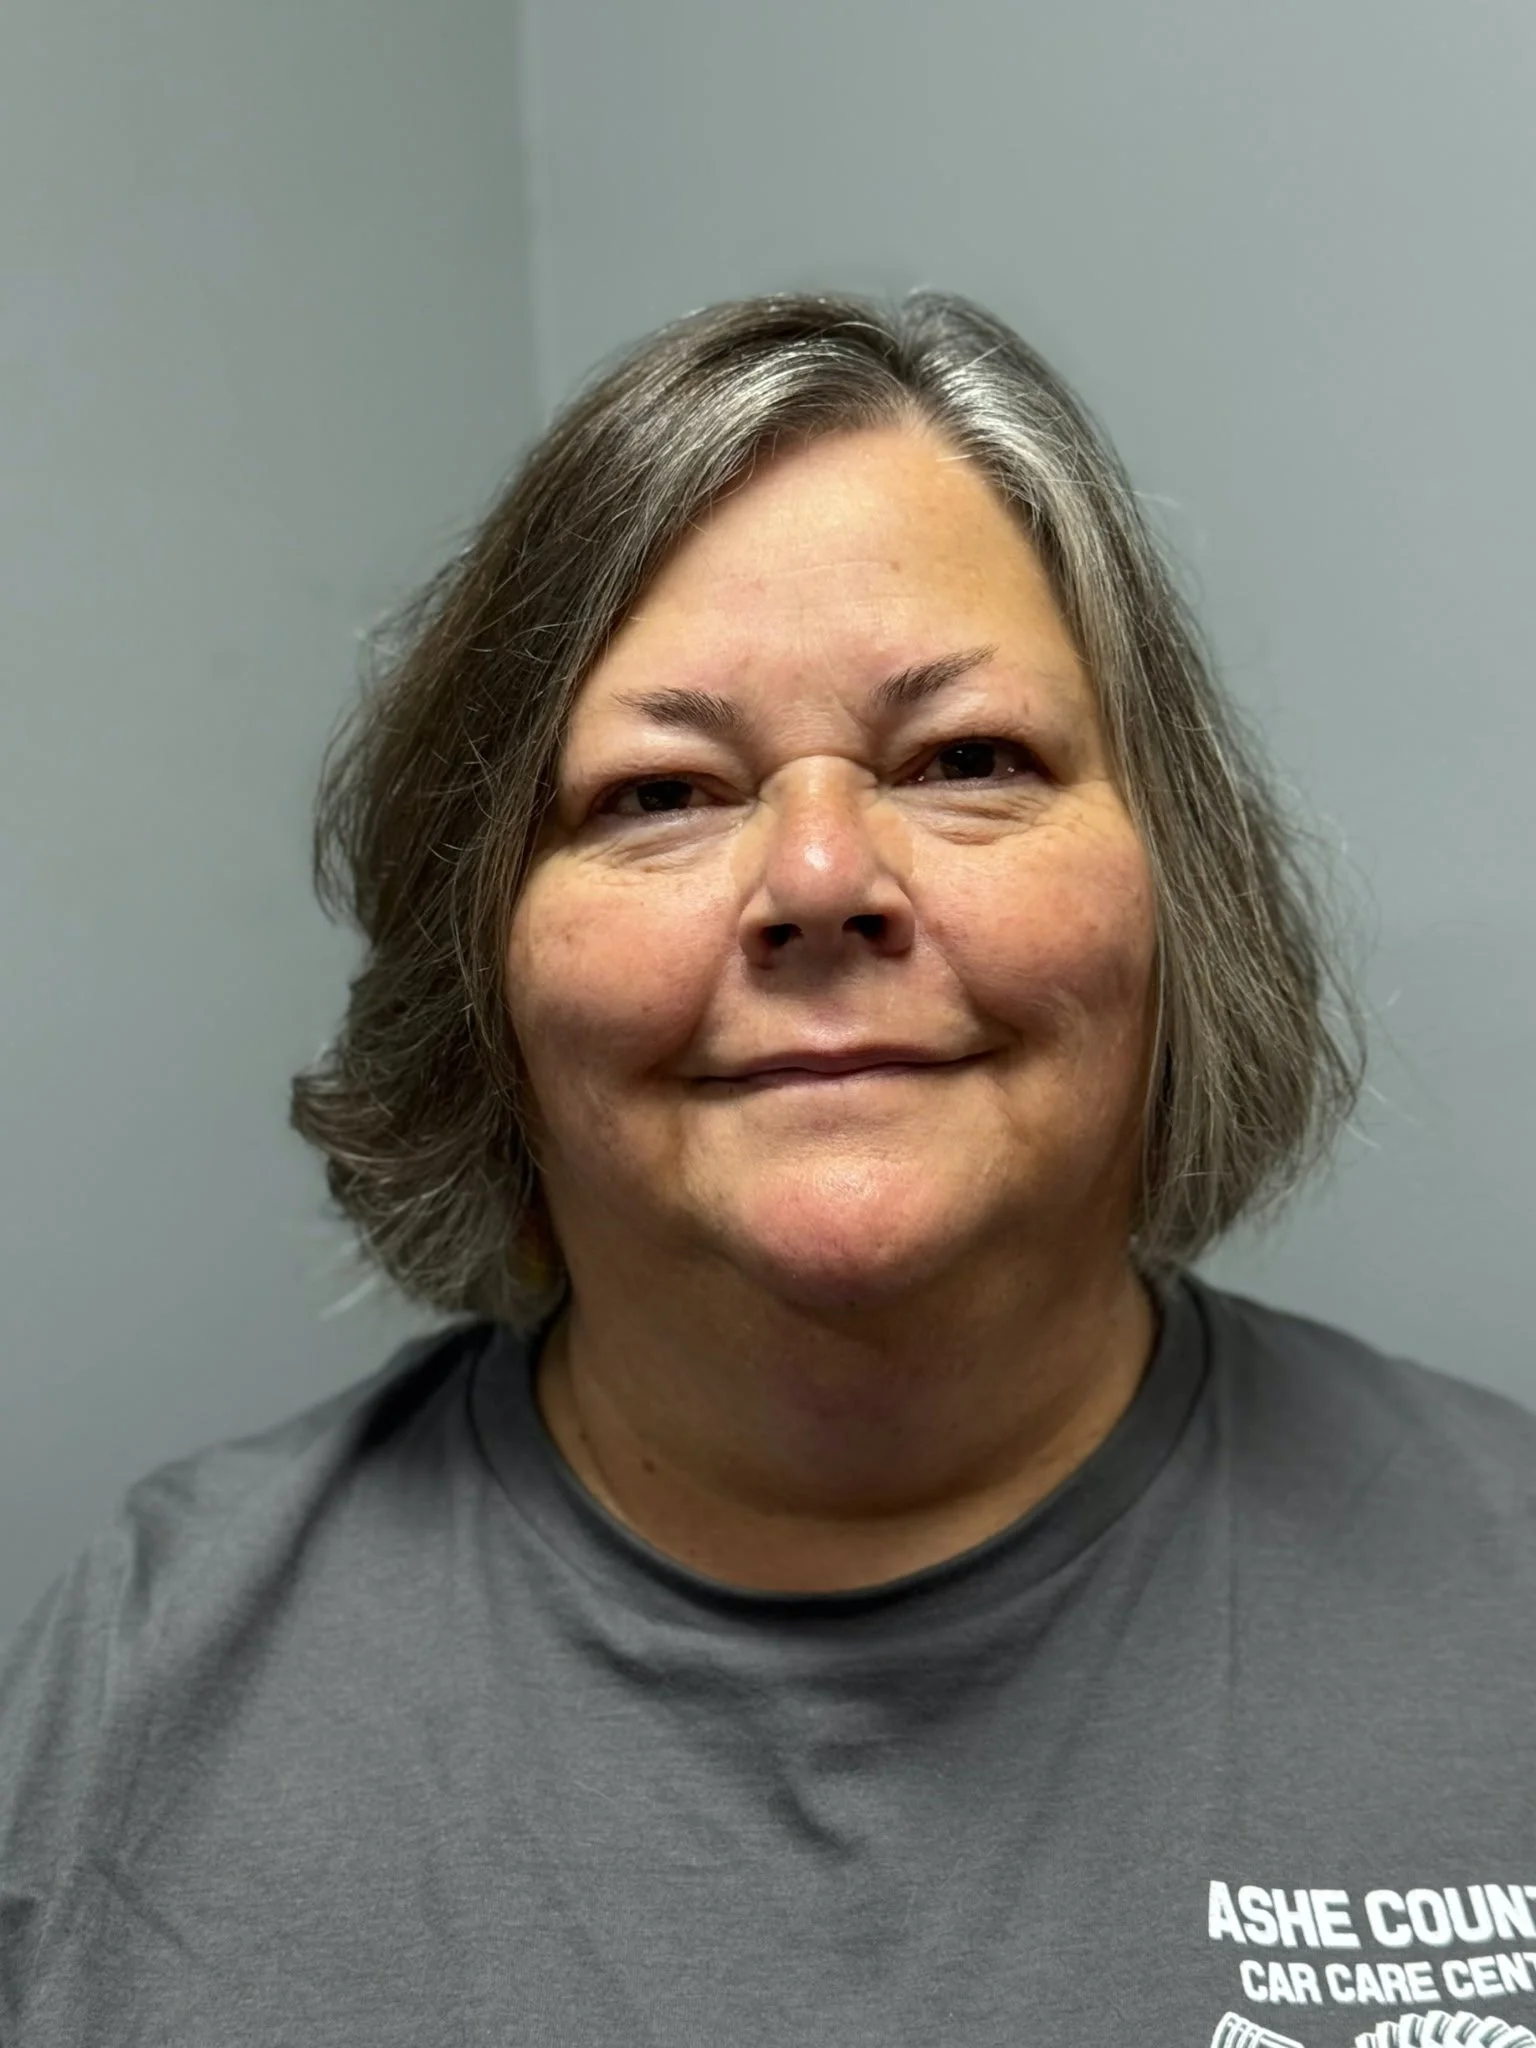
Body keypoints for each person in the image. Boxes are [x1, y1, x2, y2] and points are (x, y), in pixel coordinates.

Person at [2, 291, 1532, 2048]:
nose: (820, 874)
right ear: (483, 966)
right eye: (661, 793)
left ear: (1181, 901)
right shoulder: (143, 1688)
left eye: (967, 761)